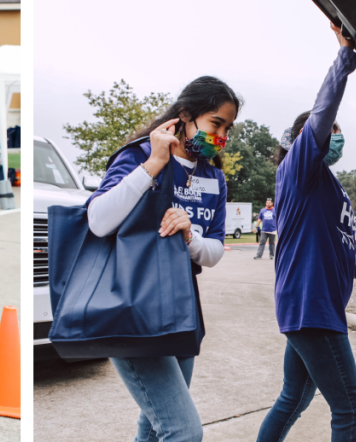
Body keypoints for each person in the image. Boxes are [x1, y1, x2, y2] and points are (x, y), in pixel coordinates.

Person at [256, 25, 356, 442]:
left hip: (316, 308)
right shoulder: (297, 171)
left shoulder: (328, 185)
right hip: (311, 307)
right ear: (307, 140)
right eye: (331, 132)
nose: (337, 138)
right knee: (350, 406)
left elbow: (331, 242)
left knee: (293, 398)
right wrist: (345, 58)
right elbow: (321, 111)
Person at [85, 76, 241, 442]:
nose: (222, 136)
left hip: (180, 308)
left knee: (154, 424)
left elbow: (215, 251)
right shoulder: (140, 155)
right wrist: (154, 163)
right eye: (215, 123)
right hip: (132, 306)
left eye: (228, 128)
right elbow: (98, 221)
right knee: (183, 431)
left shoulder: (214, 178)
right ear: (185, 116)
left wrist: (190, 236)